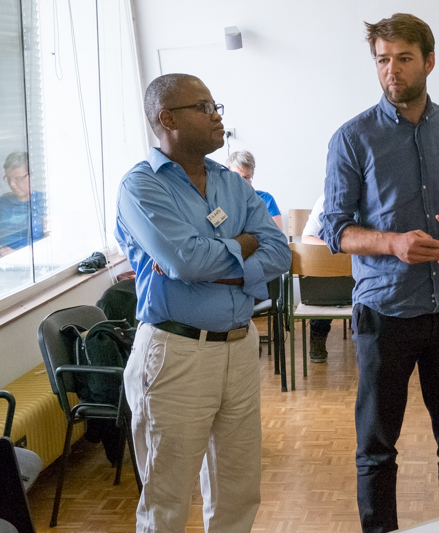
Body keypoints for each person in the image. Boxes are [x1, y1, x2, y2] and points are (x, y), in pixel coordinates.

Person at [321, 14, 439, 533]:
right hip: (386, 310)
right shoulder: (352, 138)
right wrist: (392, 243)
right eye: (382, 60)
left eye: (404, 58)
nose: (391, 70)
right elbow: (334, 230)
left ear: (429, 62)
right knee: (376, 449)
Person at [116, 73, 291, 532]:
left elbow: (280, 252)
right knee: (167, 499)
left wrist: (216, 260)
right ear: (167, 119)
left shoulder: (232, 183)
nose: (217, 117)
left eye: (217, 106)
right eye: (204, 107)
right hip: (176, 354)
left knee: (238, 490)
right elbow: (185, 261)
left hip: (240, 347)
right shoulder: (141, 186)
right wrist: (244, 245)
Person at [301, 194, 333, 362]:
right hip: (333, 264)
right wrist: (337, 248)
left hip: (365, 265)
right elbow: (307, 238)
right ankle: (318, 336)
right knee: (321, 282)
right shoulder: (326, 200)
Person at [0, 151, 47, 256]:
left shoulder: (43, 201)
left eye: (18, 179)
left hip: (30, 260)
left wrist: (16, 254)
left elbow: (51, 244)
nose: (12, 184)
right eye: (8, 179)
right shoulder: (3, 202)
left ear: (31, 176)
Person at [226, 150, 283, 230]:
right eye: (237, 177)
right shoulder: (221, 201)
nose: (242, 182)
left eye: (246, 177)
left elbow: (277, 234)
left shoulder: (266, 199)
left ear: (252, 175)